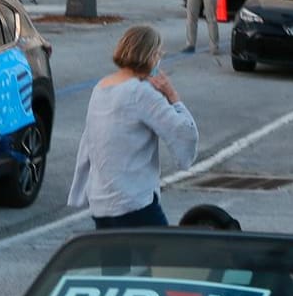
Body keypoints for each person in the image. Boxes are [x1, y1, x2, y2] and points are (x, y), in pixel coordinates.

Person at [67, 24, 199, 228]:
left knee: (114, 260)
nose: (159, 59)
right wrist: (172, 96)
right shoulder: (140, 93)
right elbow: (182, 132)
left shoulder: (101, 87)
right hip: (133, 200)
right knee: (162, 255)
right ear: (150, 55)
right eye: (159, 53)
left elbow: (89, 142)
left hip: (101, 201)